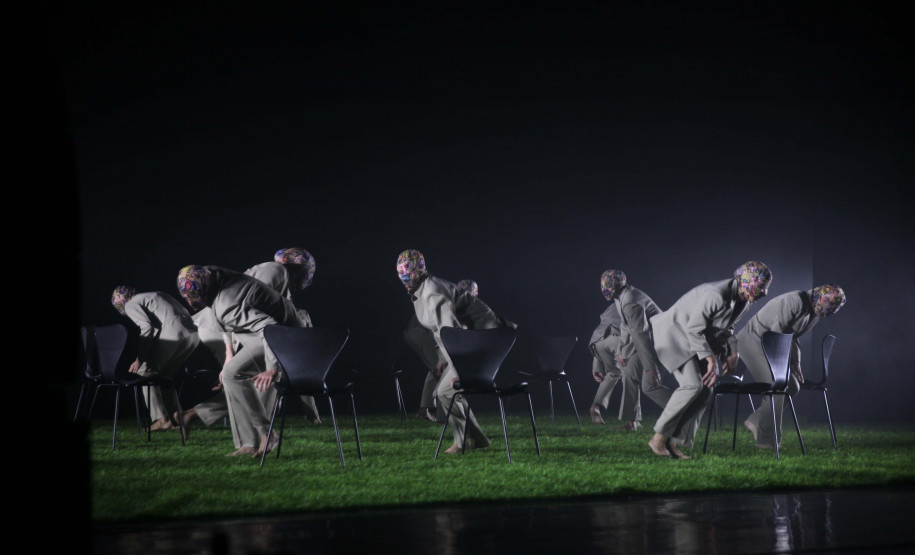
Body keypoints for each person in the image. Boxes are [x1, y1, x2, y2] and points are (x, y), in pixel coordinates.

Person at [647, 261, 772, 459]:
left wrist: (734, 352)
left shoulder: (744, 300)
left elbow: (727, 328)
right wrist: (711, 360)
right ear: (744, 282)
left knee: (706, 390)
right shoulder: (716, 295)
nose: (760, 295)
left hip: (693, 340)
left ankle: (673, 442)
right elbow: (693, 329)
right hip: (674, 336)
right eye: (756, 289)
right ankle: (658, 438)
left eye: (762, 290)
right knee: (693, 385)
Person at [176, 265, 302, 457]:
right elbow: (225, 323)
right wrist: (229, 355)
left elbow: (268, 327)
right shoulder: (212, 274)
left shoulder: (227, 304)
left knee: (234, 376)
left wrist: (272, 368)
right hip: (267, 334)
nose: (191, 301)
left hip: (283, 337)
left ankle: (266, 434)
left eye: (195, 296)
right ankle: (250, 443)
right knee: (232, 375)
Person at [396, 250, 514, 454]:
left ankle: (464, 442)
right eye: (401, 275)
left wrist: (459, 370)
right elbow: (442, 332)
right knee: (444, 391)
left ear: (417, 272)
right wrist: (442, 360)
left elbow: (453, 332)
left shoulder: (432, 292)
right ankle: (477, 438)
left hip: (488, 340)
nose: (404, 280)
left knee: (445, 390)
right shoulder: (423, 289)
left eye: (407, 275)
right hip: (476, 340)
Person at [737, 284, 846, 448]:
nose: (831, 312)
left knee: (793, 386)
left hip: (772, 344)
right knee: (777, 385)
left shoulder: (815, 313)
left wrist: (796, 363)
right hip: (753, 342)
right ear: (820, 298)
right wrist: (782, 365)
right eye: (829, 306)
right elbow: (777, 335)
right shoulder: (795, 301)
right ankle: (767, 440)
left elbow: (792, 336)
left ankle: (756, 420)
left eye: (834, 309)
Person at [244, 248, 321, 423]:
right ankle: (265, 421)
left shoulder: (282, 284)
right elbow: (259, 311)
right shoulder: (274, 271)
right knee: (275, 370)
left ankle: (308, 414)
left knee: (294, 366)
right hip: (253, 330)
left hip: (266, 332)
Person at [111, 286, 200, 431]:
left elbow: (147, 327)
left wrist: (140, 358)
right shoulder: (154, 294)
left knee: (145, 372)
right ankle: (176, 419)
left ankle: (161, 418)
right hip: (193, 334)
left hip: (175, 331)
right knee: (164, 377)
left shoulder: (130, 304)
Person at [405, 278, 483, 422]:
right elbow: (445, 333)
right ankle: (442, 415)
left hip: (418, 331)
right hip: (421, 331)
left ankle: (425, 410)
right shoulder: (454, 304)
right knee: (441, 369)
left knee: (439, 369)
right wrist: (441, 361)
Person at [603, 269, 672, 431]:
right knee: (629, 373)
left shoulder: (630, 301)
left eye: (607, 284)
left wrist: (650, 368)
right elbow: (626, 326)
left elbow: (641, 334)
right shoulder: (622, 297)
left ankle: (685, 408)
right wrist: (621, 351)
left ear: (615, 286)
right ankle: (631, 422)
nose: (604, 288)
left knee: (650, 386)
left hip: (662, 343)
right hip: (652, 342)